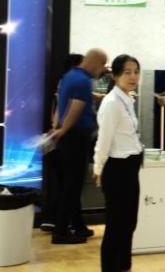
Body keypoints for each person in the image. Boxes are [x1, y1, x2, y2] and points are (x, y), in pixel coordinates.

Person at [51, 48, 107, 244]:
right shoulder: (83, 81)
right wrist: (63, 130)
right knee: (72, 186)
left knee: (71, 184)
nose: (102, 70)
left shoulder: (70, 76)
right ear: (94, 62)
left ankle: (78, 226)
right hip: (74, 138)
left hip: (68, 137)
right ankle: (60, 231)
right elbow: (75, 107)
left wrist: (57, 127)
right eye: (102, 65)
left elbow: (61, 104)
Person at [94, 55, 144, 272]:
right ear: (115, 76)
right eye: (127, 72)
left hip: (130, 168)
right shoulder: (112, 103)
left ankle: (124, 266)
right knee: (116, 226)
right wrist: (98, 168)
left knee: (129, 223)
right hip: (117, 169)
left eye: (136, 72)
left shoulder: (126, 99)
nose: (133, 77)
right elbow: (104, 140)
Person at [40, 53, 84, 233]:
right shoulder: (69, 85)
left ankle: (75, 224)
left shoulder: (65, 83)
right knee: (68, 184)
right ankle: (62, 224)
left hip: (59, 139)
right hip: (64, 140)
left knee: (68, 184)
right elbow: (62, 113)